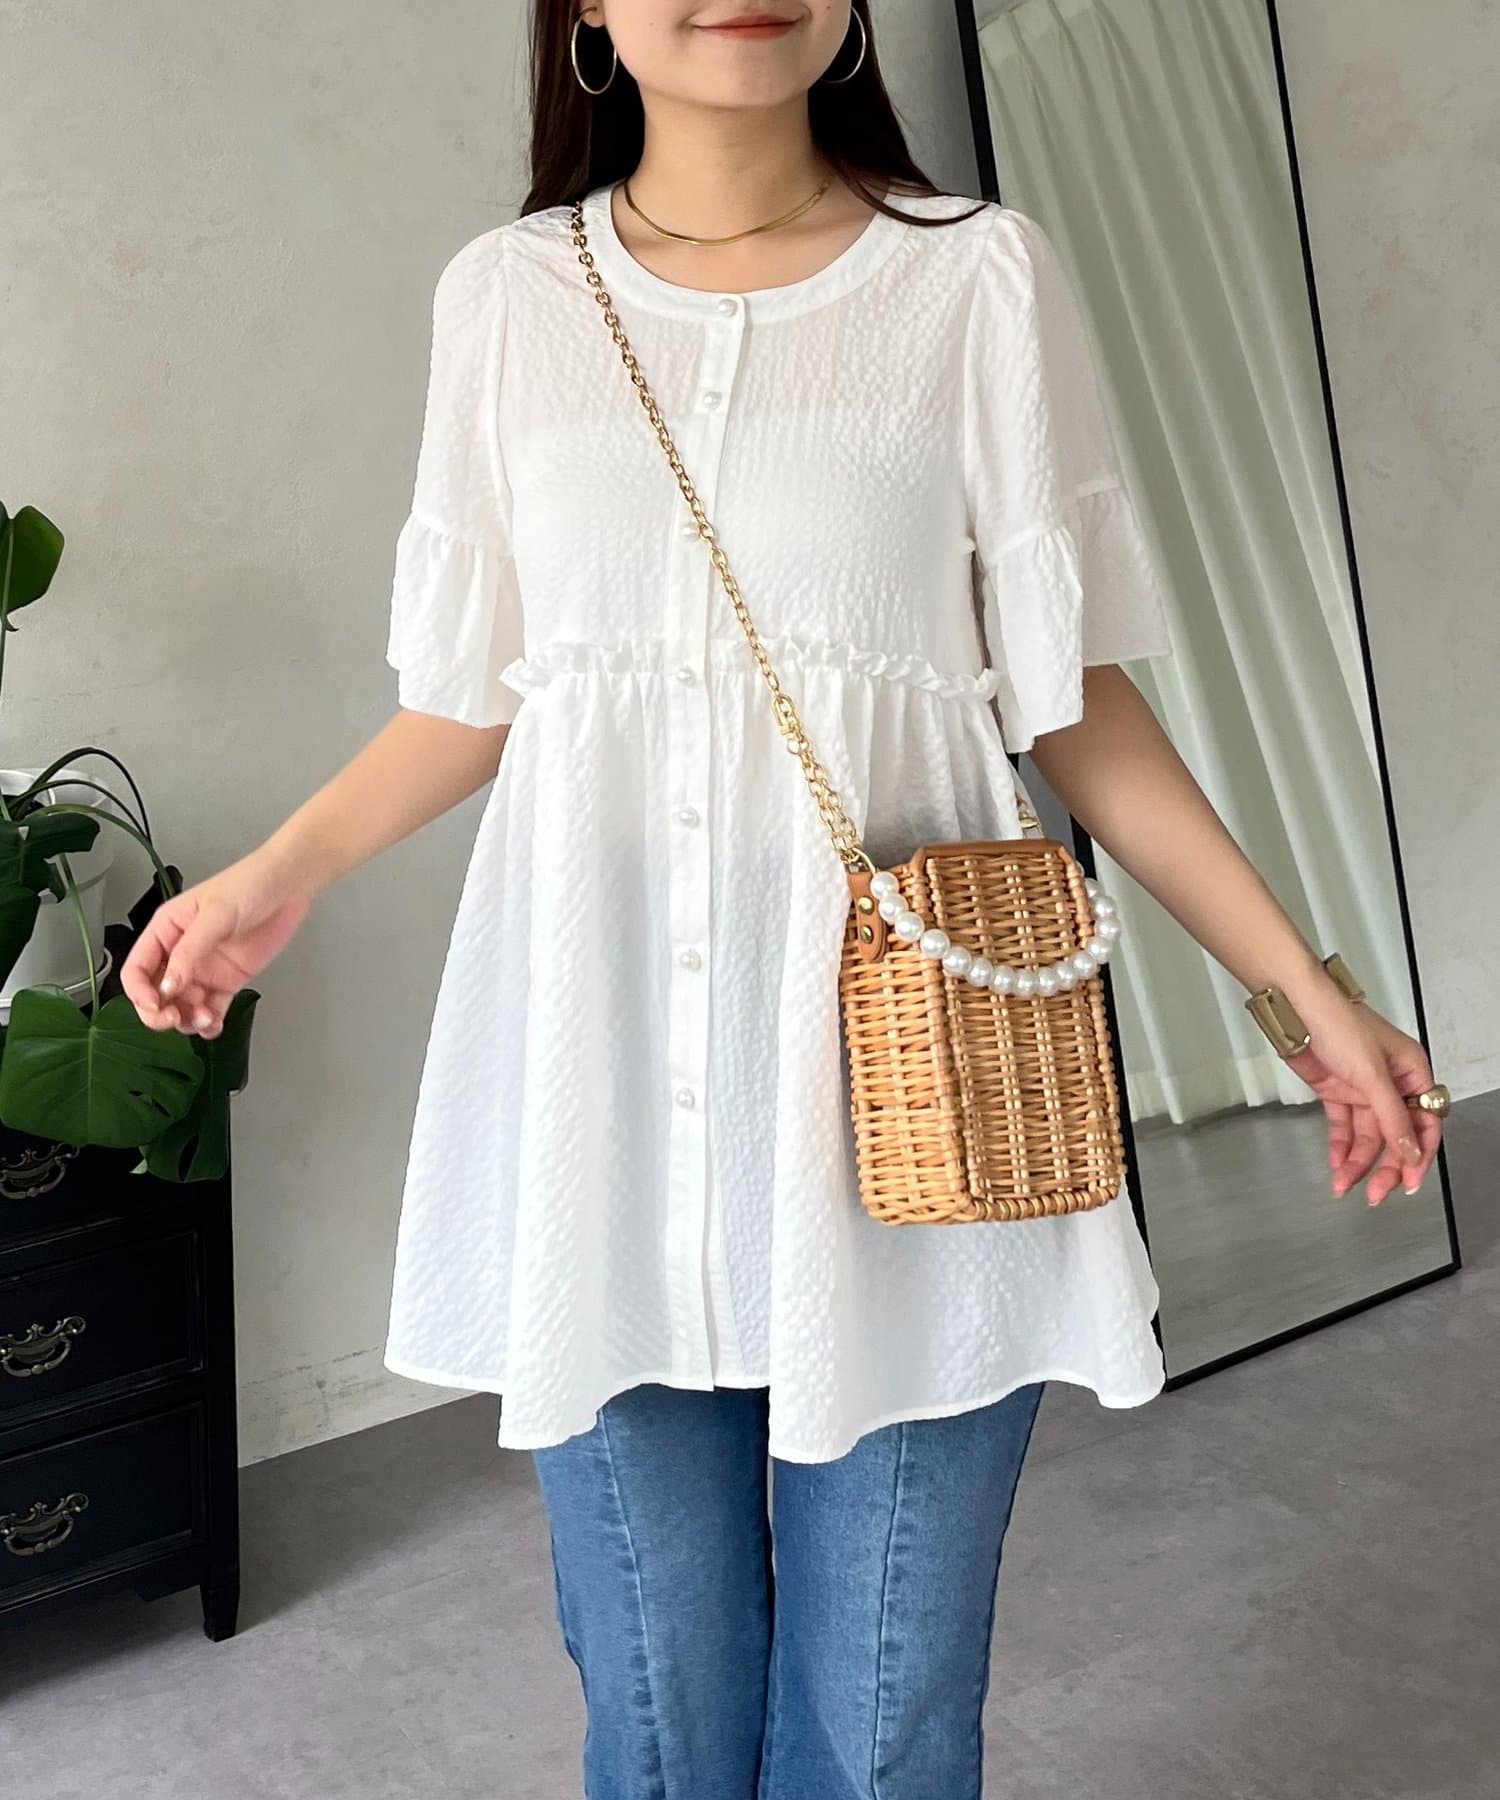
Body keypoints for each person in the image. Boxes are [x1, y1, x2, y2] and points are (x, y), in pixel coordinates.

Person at [120, 4, 1446, 1795]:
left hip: (915, 1119)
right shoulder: (507, 299)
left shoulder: (974, 278)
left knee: (881, 1734)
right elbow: (481, 691)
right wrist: (277, 876)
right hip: (600, 1104)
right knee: (659, 1726)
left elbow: (1069, 695)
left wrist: (1303, 992)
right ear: (588, 10)